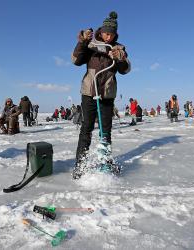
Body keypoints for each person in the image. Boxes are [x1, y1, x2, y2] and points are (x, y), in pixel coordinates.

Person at [71, 11, 131, 179]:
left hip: (107, 95)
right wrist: (82, 42)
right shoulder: (91, 45)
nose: (108, 37)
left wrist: (119, 58)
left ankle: (105, 161)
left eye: (111, 34)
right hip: (89, 93)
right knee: (86, 128)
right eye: (106, 33)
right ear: (100, 31)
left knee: (105, 130)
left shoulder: (119, 48)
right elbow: (76, 60)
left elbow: (126, 70)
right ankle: (80, 164)